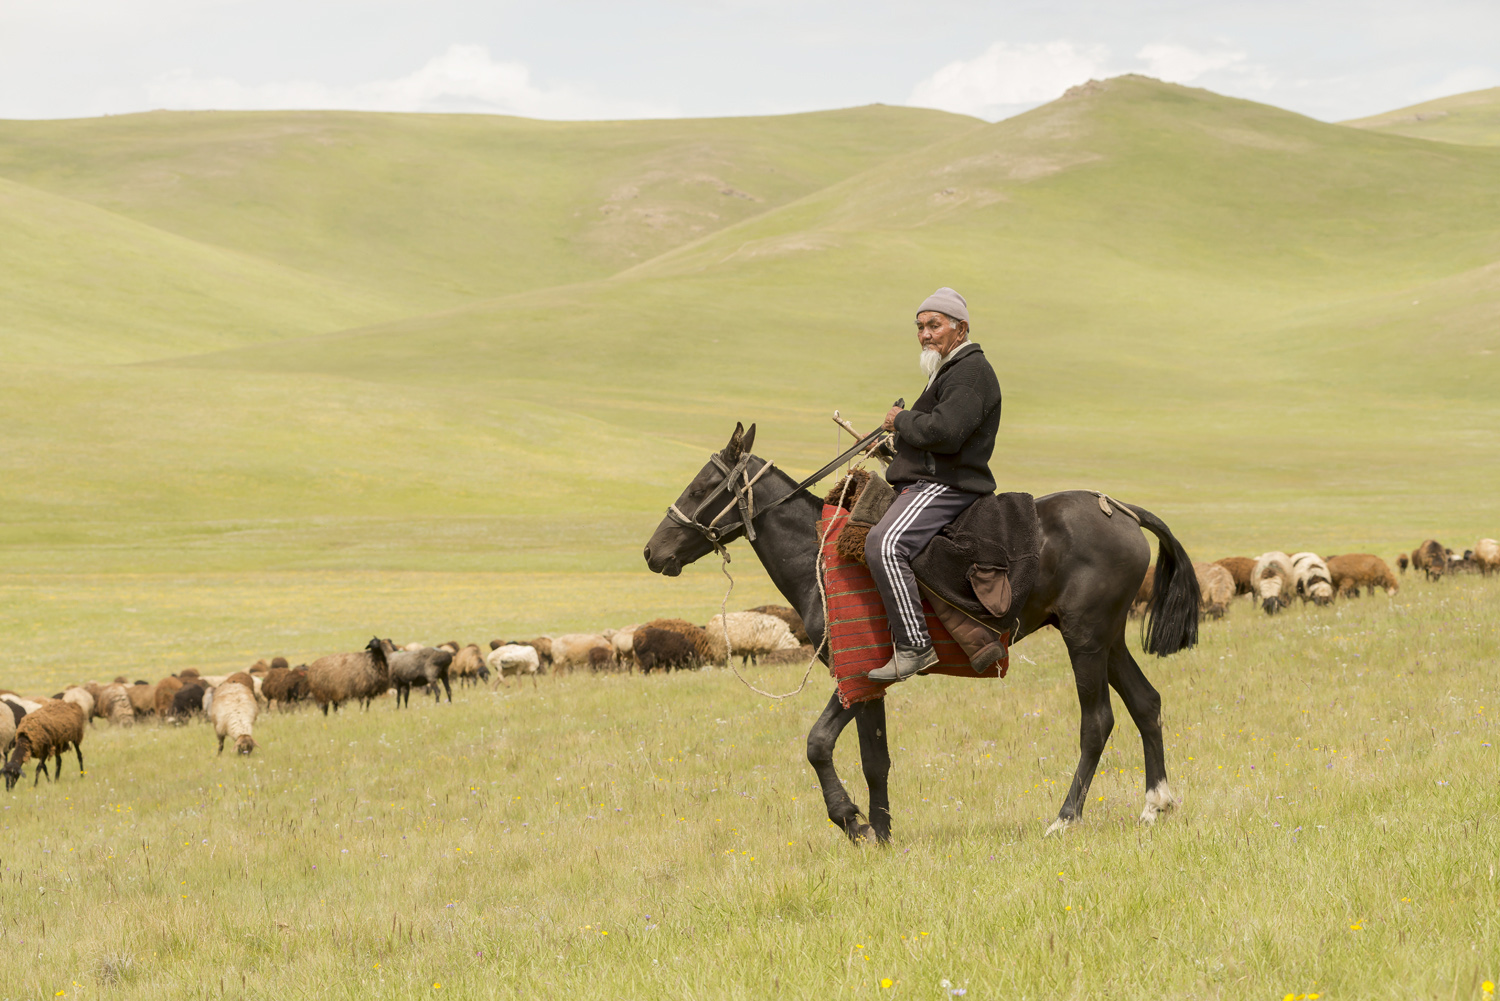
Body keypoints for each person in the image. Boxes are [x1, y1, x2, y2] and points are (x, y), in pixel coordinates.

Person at [865, 287, 1002, 683]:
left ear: (960, 328)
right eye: (920, 326)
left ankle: (913, 646)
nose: (925, 334)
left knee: (884, 544)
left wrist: (900, 420)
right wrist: (894, 444)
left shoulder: (971, 370)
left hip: (949, 485)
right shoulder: (949, 370)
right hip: (931, 478)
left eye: (934, 325)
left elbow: (947, 431)